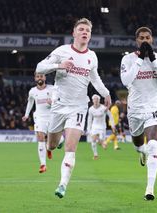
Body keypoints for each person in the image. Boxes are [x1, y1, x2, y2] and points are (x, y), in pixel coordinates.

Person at [35, 18, 111, 198]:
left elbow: (95, 78)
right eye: (82, 29)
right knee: (51, 145)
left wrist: (106, 93)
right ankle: (57, 141)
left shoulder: (92, 56)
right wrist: (58, 65)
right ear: (74, 33)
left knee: (71, 147)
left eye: (88, 31)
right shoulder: (62, 51)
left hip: (78, 107)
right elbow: (40, 67)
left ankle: (62, 184)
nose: (85, 32)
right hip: (59, 106)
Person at [120, 26, 157, 200]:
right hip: (135, 108)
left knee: (152, 145)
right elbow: (126, 80)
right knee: (137, 143)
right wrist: (141, 59)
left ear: (152, 40)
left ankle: (149, 189)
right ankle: (140, 151)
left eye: (147, 37)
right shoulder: (128, 59)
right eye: (141, 38)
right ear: (137, 41)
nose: (144, 40)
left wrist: (153, 59)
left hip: (153, 107)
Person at [22, 73, 63, 173]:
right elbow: (30, 102)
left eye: (41, 76)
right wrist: (26, 114)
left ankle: (58, 143)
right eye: (37, 76)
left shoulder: (52, 89)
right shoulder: (32, 91)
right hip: (39, 117)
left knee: (56, 140)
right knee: (40, 136)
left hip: (52, 116)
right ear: (35, 78)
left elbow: (60, 100)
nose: (39, 78)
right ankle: (43, 165)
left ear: (45, 78)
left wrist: (53, 102)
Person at [87, 94, 115, 160]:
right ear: (92, 100)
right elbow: (89, 119)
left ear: (99, 100)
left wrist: (113, 126)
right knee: (93, 140)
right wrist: (88, 129)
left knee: (101, 140)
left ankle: (102, 142)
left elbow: (110, 116)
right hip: (94, 126)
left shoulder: (103, 108)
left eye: (97, 99)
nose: (95, 101)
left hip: (102, 127)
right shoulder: (91, 109)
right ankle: (95, 155)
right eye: (94, 99)